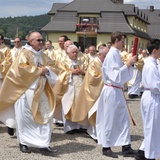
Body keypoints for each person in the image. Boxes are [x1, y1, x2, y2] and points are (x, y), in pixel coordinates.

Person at [0, 31, 58, 154]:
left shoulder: (44, 55)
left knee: (45, 117)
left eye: (42, 40)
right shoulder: (24, 53)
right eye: (38, 40)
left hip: (42, 90)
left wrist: (47, 70)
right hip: (26, 91)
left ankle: (43, 144)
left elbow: (53, 66)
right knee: (25, 118)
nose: (41, 42)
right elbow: (21, 70)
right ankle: (24, 143)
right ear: (30, 41)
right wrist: (39, 71)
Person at [96, 31, 137, 158]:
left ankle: (126, 146)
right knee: (110, 118)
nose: (124, 43)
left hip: (117, 90)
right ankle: (106, 147)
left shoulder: (116, 54)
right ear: (117, 40)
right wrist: (128, 63)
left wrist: (129, 64)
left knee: (122, 118)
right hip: (112, 91)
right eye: (123, 41)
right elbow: (115, 75)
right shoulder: (111, 55)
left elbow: (120, 74)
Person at [72, 46, 110, 140]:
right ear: (99, 54)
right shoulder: (94, 63)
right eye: (105, 56)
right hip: (94, 91)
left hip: (103, 91)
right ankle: (94, 132)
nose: (107, 58)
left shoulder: (105, 63)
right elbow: (93, 78)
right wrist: (108, 78)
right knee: (95, 111)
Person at [135, 39, 160, 160]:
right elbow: (155, 85)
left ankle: (143, 151)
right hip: (152, 96)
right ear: (154, 50)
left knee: (153, 126)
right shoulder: (151, 65)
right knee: (152, 126)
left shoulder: (153, 63)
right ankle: (150, 155)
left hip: (151, 95)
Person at [54, 44, 87, 134]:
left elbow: (88, 71)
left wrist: (83, 72)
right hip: (68, 87)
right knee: (68, 105)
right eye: (73, 52)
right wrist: (70, 73)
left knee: (79, 105)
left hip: (80, 87)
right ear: (67, 53)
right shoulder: (63, 62)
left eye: (76, 52)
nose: (75, 54)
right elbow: (60, 73)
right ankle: (69, 127)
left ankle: (80, 125)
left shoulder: (81, 61)